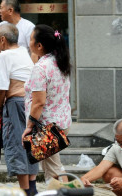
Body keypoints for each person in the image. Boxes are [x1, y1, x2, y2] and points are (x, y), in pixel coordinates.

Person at [21, 24, 71, 183]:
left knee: (53, 170)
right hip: (61, 122)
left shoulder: (41, 68)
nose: (28, 42)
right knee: (53, 166)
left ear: (39, 45)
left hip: (46, 126)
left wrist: (29, 126)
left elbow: (39, 103)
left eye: (30, 39)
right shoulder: (59, 62)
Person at [0, 23, 38, 196]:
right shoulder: (23, 52)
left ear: (2, 39)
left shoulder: (5, 55)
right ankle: (32, 188)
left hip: (15, 103)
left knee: (17, 144)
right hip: (29, 102)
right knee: (30, 143)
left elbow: (1, 87)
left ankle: (24, 192)